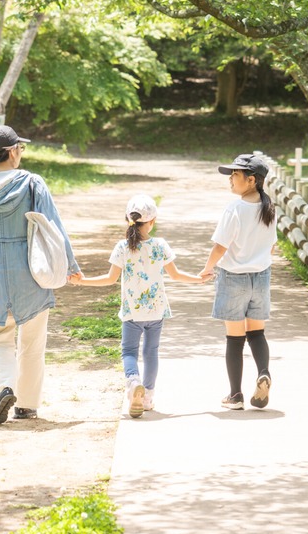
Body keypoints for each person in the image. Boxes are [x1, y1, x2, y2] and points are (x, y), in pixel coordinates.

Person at [0, 125, 79, 425]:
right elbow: (52, 227)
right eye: (20, 148)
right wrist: (70, 265)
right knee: (32, 340)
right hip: (30, 270)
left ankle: (4, 387)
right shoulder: (31, 183)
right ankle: (26, 405)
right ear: (13, 151)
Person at [71, 194, 202, 418]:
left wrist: (81, 280)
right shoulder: (160, 245)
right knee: (151, 352)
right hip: (157, 311)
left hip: (132, 312)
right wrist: (200, 278)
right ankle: (148, 396)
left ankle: (133, 383)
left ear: (128, 220)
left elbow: (110, 279)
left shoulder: (122, 247)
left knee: (129, 351)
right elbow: (176, 275)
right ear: (152, 222)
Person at [200, 153, 278, 411]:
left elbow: (220, 247)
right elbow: (272, 247)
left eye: (235, 175)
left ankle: (235, 396)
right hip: (262, 277)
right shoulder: (269, 208)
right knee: (256, 333)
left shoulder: (234, 209)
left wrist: (207, 269)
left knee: (235, 339)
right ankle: (264, 372)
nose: (231, 180)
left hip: (233, 278)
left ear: (251, 180)